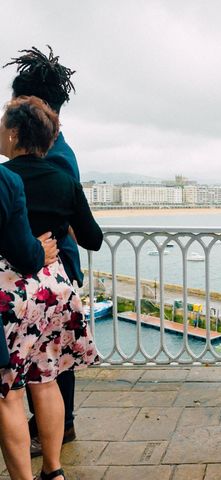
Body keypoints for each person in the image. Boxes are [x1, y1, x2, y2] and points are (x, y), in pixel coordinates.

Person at [0, 95, 101, 480]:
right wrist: (60, 225)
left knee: (8, 392)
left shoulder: (7, 179)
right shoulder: (64, 180)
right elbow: (92, 237)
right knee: (45, 379)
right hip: (54, 288)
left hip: (11, 290)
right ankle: (54, 471)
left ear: (14, 134)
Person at [3, 45, 82, 455]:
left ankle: (56, 427)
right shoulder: (53, 148)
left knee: (52, 360)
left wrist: (37, 245)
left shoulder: (54, 156)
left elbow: (68, 218)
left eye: (15, 102)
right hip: (36, 265)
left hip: (47, 267)